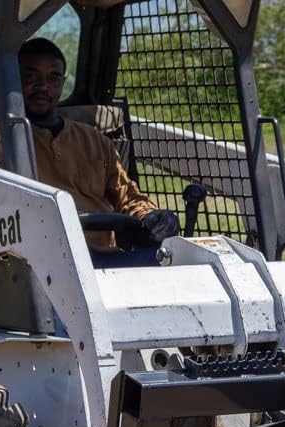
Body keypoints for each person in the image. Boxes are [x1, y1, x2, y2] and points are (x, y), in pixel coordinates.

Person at [18, 37, 179, 266]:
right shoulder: (2, 142)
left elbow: (127, 196)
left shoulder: (95, 140)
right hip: (40, 263)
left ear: (63, 83)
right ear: (12, 80)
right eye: (31, 77)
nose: (43, 86)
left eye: (53, 78)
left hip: (104, 258)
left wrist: (151, 216)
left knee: (177, 261)